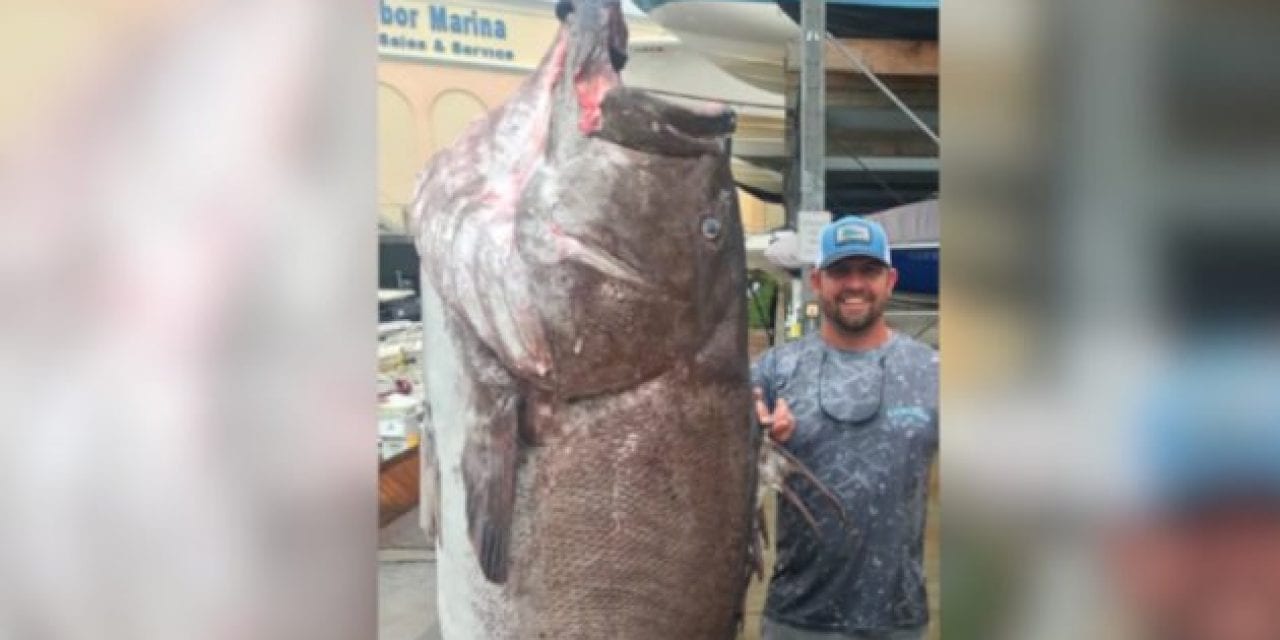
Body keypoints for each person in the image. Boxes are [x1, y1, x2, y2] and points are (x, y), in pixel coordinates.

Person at [752, 216, 939, 640]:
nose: (854, 284)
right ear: (818, 281)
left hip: (898, 621)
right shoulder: (774, 370)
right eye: (840, 271)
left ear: (890, 280)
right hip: (796, 621)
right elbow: (709, 453)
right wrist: (756, 438)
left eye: (868, 271)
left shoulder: (933, 372)